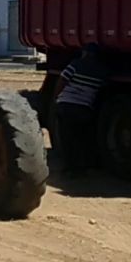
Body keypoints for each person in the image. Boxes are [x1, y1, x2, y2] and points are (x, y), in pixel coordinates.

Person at [54, 43, 108, 173]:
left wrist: (56, 97)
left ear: (84, 53)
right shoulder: (101, 71)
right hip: (84, 108)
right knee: (82, 138)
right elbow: (103, 88)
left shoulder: (76, 64)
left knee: (67, 138)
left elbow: (62, 80)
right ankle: (85, 165)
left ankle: (71, 167)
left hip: (66, 105)